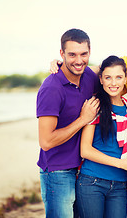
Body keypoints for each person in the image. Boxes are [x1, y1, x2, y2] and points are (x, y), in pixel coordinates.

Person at [36, 28, 100, 217]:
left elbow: (116, 71)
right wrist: (83, 120)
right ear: (61, 54)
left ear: (90, 52)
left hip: (85, 168)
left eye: (84, 54)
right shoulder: (51, 88)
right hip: (58, 171)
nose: (78, 61)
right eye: (72, 55)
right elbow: (46, 141)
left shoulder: (89, 76)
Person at [76, 56, 127, 218]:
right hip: (92, 181)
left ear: (125, 79)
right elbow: (85, 150)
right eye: (108, 77)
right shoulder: (95, 106)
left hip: (120, 185)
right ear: (100, 79)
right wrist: (121, 164)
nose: (113, 83)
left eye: (118, 77)